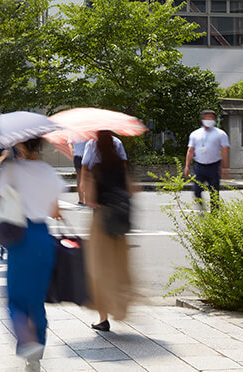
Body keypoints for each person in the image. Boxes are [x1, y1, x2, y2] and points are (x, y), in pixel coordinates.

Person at [0, 138, 62, 372]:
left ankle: (27, 342)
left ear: (21, 146)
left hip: (20, 239)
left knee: (15, 299)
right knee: (36, 299)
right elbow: (55, 210)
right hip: (43, 238)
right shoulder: (48, 171)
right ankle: (37, 350)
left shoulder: (10, 170)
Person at [83, 130, 133, 333]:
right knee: (119, 267)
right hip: (119, 224)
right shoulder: (120, 168)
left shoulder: (96, 169)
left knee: (99, 270)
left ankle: (103, 318)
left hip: (101, 223)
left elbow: (90, 200)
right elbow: (131, 192)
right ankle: (120, 306)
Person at [184, 109, 229, 212]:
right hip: (199, 166)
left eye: (211, 118)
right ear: (202, 119)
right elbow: (190, 150)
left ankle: (215, 215)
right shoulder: (195, 134)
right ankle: (202, 210)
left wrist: (225, 167)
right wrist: (187, 166)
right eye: (207, 118)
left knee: (214, 192)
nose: (209, 120)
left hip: (214, 166)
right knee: (196, 191)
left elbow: (225, 150)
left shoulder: (220, 134)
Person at [69, 138, 89, 205]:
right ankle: (81, 199)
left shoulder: (86, 134)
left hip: (86, 156)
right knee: (79, 177)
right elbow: (70, 143)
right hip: (77, 156)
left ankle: (87, 199)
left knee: (86, 177)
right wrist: (72, 150)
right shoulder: (73, 133)